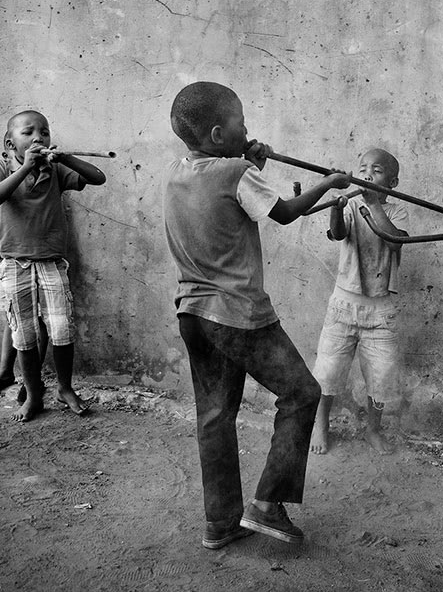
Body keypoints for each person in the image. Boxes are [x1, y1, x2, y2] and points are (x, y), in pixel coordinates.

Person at [162, 81, 350, 550]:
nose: (249, 128)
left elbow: (226, 203)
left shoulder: (177, 172)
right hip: (238, 314)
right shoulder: (236, 172)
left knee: (215, 416)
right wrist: (327, 183)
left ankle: (220, 524)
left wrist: (250, 164)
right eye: (241, 122)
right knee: (303, 392)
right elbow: (283, 213)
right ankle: (267, 505)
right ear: (218, 133)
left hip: (193, 313)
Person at [0, 110, 106, 421]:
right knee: (23, 334)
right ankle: (34, 394)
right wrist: (24, 168)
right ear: (11, 144)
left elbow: (97, 177)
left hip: (51, 262)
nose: (39, 137)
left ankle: (65, 387)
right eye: (29, 132)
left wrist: (66, 159)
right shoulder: (4, 166)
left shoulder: (56, 169)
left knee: (62, 329)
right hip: (14, 263)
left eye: (45, 132)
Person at [309, 148, 409, 456]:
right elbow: (338, 234)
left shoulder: (396, 211)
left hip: (381, 311)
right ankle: (320, 424)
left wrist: (372, 202)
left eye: (376, 171)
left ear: (391, 182)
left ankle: (373, 430)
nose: (367, 173)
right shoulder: (350, 204)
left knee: (380, 378)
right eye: (363, 167)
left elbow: (395, 240)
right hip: (343, 306)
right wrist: (337, 209)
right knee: (328, 372)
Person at [0, 235, 49, 402]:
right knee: (12, 315)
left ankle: (33, 380)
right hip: (11, 256)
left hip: (37, 255)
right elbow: (7, 219)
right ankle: (5, 372)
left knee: (37, 318)